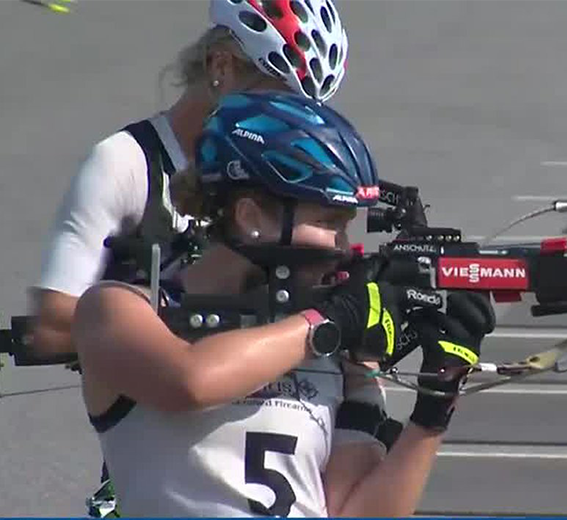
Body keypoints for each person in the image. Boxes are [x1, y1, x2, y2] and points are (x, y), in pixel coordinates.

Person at [72, 91, 496, 517]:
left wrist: (435, 406)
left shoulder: (330, 345)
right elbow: (191, 381)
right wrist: (328, 321)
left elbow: (357, 513)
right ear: (250, 216)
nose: (344, 247)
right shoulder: (117, 308)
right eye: (330, 222)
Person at [29, 0, 349, 359]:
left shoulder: (286, 170)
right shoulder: (124, 163)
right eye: (279, 100)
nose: (294, 127)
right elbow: (52, 325)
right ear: (221, 66)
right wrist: (191, 313)